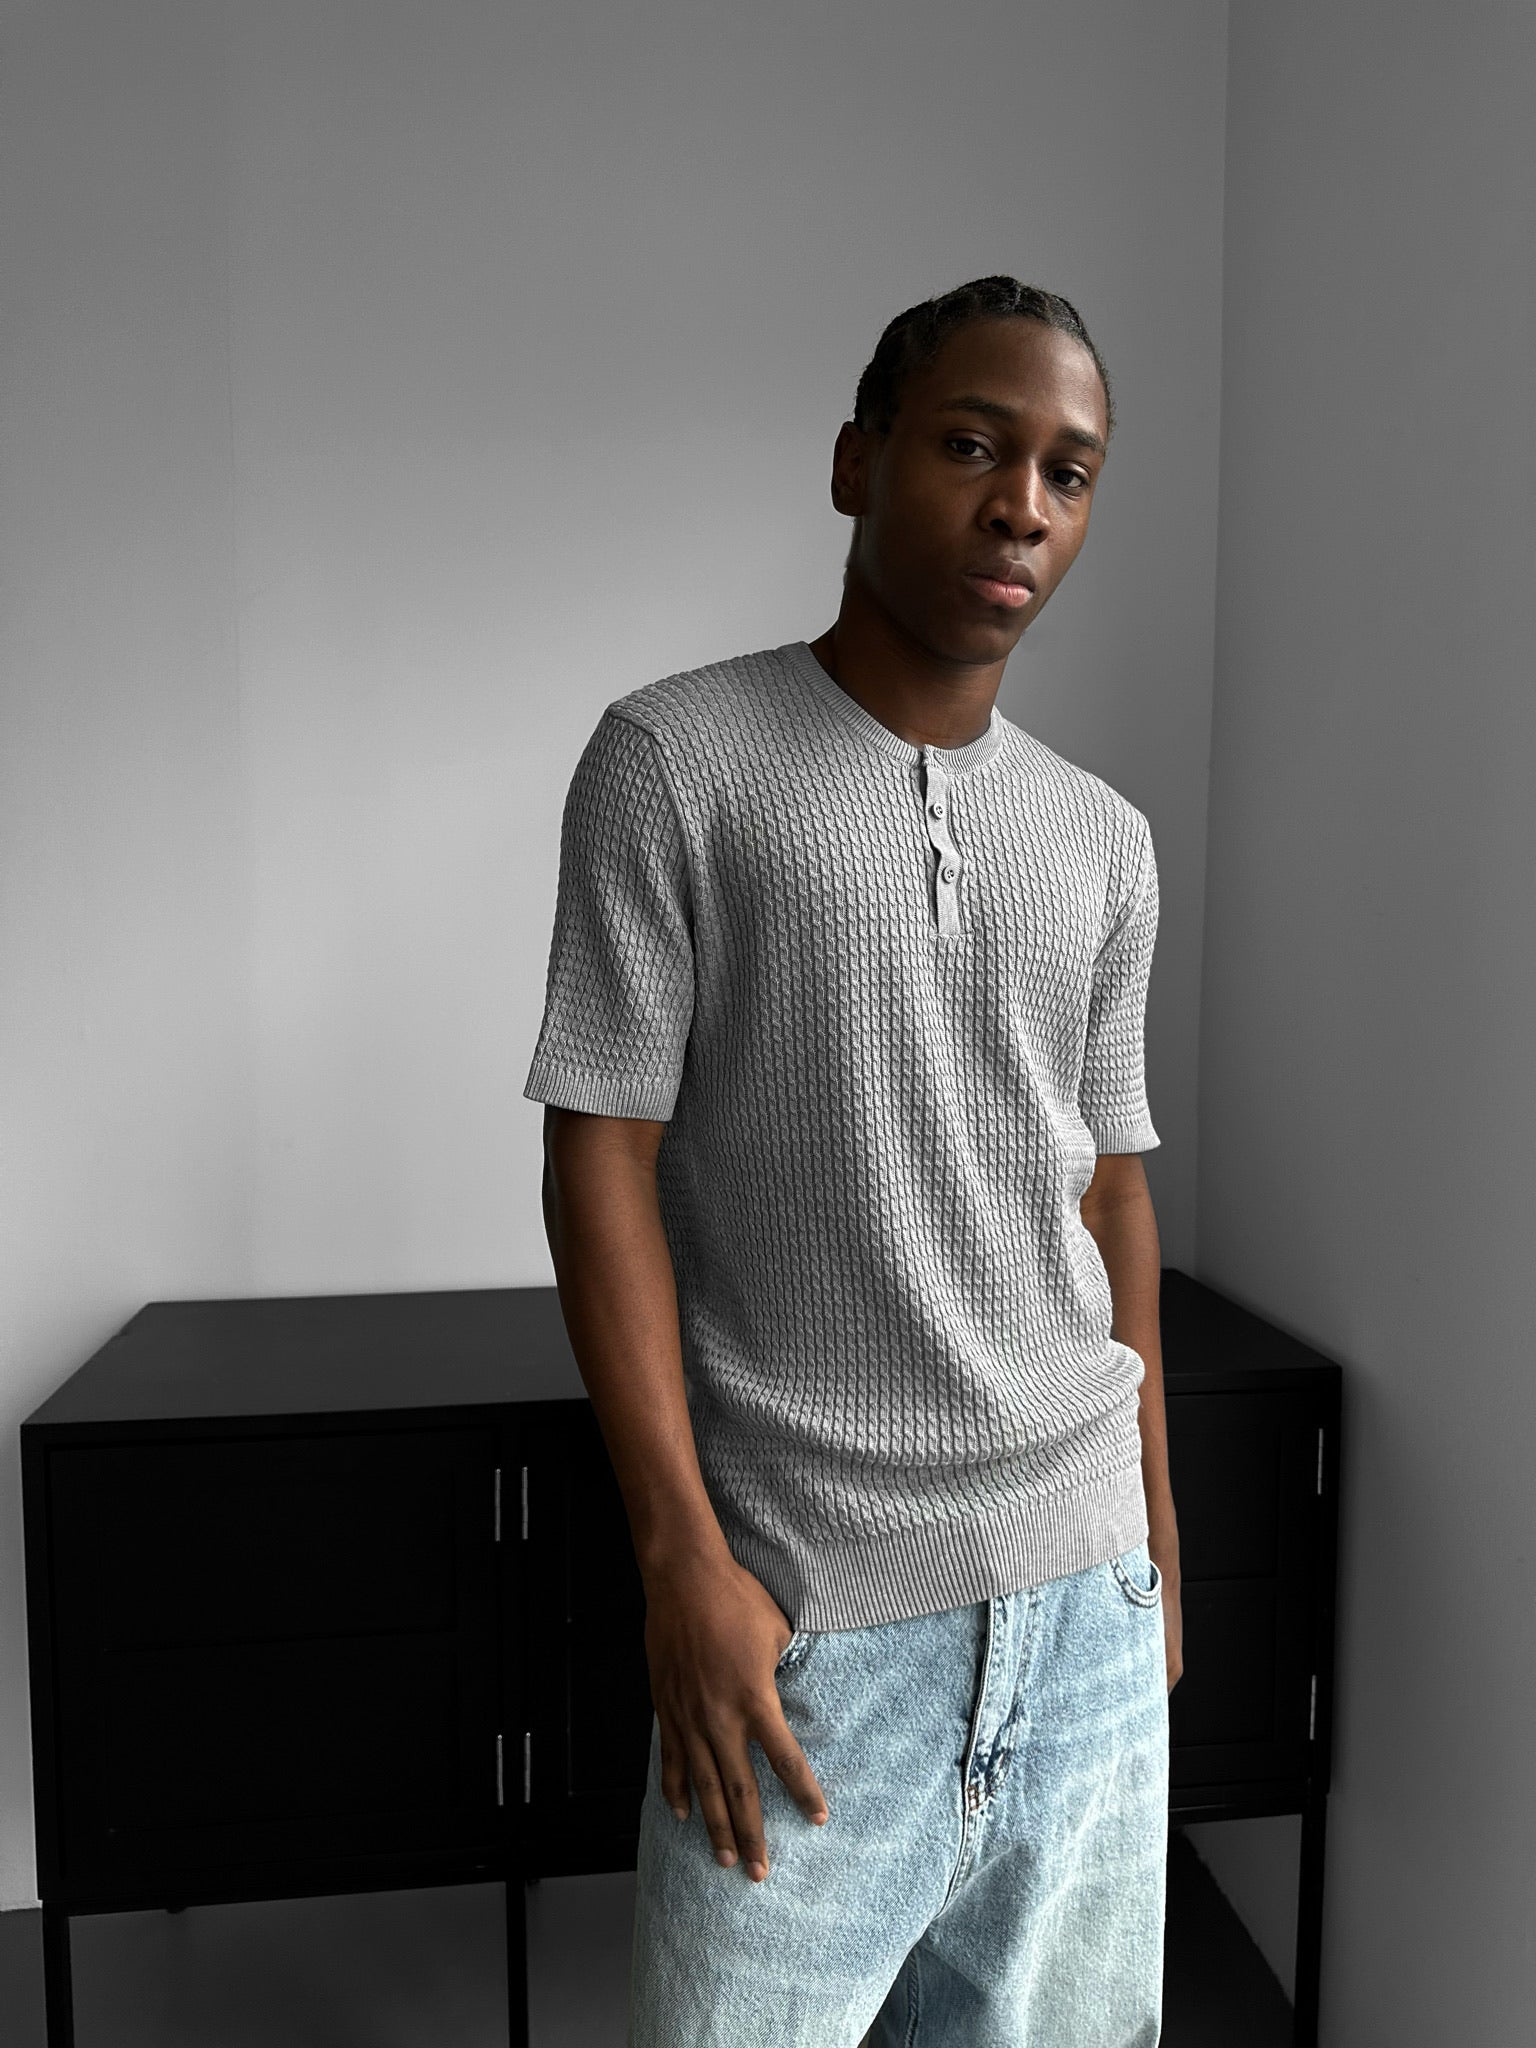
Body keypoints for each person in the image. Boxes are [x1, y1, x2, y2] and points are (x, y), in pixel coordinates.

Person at [523, 274, 1183, 2048]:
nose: (1022, 506)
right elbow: (600, 1158)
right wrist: (680, 1562)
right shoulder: (675, 763)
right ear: (856, 462)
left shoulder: (1105, 839)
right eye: (973, 446)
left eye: (1069, 473)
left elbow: (1110, 1191)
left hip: (1087, 1607)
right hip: (810, 1623)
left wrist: (1157, 1545)